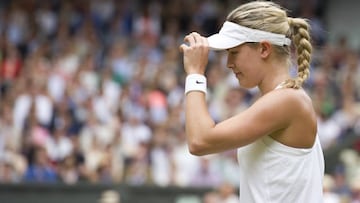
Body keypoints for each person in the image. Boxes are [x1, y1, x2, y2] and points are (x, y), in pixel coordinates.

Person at [179, 1, 324, 203]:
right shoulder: (283, 99)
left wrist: (195, 74)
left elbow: (199, 141)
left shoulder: (288, 100)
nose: (228, 64)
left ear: (264, 49)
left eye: (234, 52)